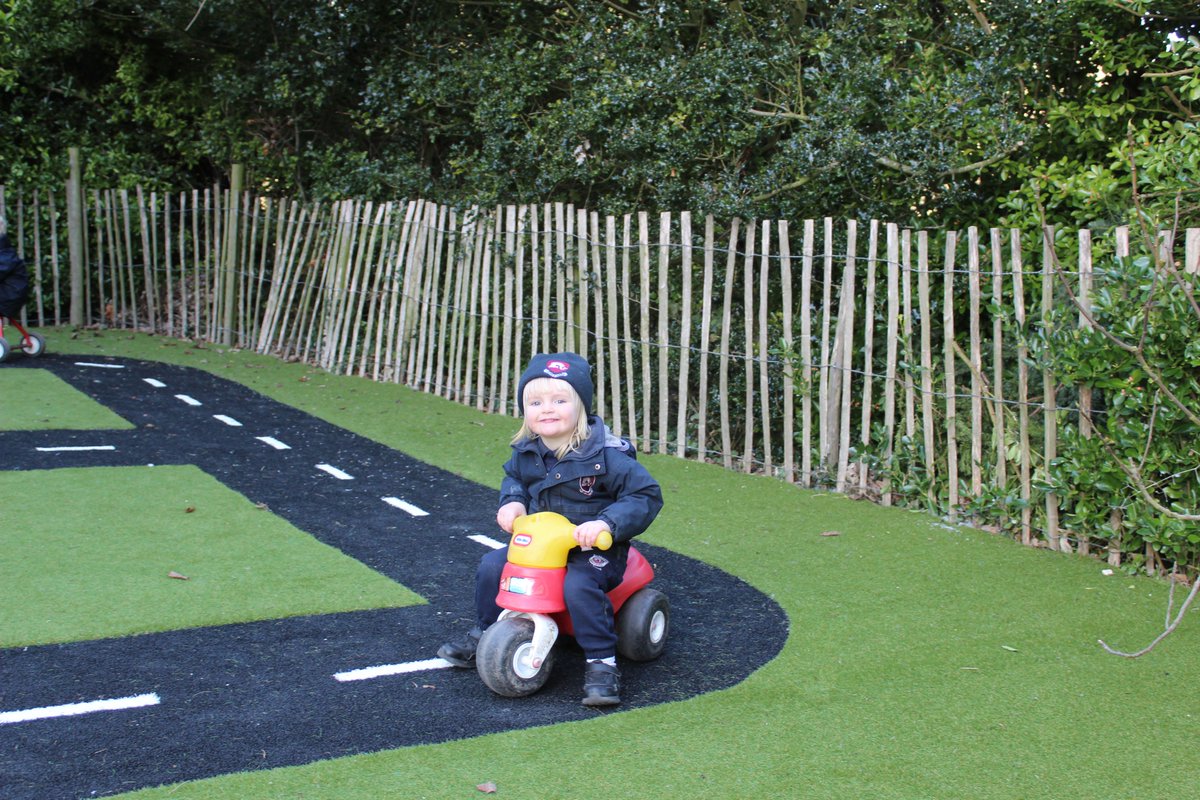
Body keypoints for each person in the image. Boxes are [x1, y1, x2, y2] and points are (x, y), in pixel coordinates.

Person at [438, 352, 664, 706]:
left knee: (579, 583)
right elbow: (514, 478)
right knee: (492, 566)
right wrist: (512, 501)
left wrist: (605, 523)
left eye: (560, 400)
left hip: (595, 547)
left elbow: (644, 494)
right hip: (543, 547)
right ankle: (485, 631)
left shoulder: (608, 457)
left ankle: (602, 661)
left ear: (581, 406)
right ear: (525, 409)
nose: (547, 408)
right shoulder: (527, 452)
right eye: (536, 401)